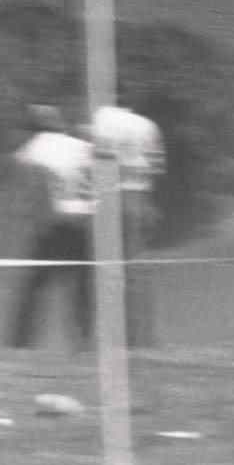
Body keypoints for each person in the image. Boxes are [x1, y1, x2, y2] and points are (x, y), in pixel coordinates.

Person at [6, 104, 97, 351]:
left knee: (34, 287)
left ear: (31, 129)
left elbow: (30, 193)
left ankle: (21, 343)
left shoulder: (30, 150)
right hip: (85, 222)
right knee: (81, 288)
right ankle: (84, 341)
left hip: (53, 223)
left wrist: (30, 222)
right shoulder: (83, 146)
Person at [89, 98, 166, 347]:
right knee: (137, 271)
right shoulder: (148, 126)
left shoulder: (103, 119)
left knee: (107, 271)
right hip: (140, 199)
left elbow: (97, 164)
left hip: (111, 200)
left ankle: (111, 337)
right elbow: (156, 168)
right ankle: (141, 337)